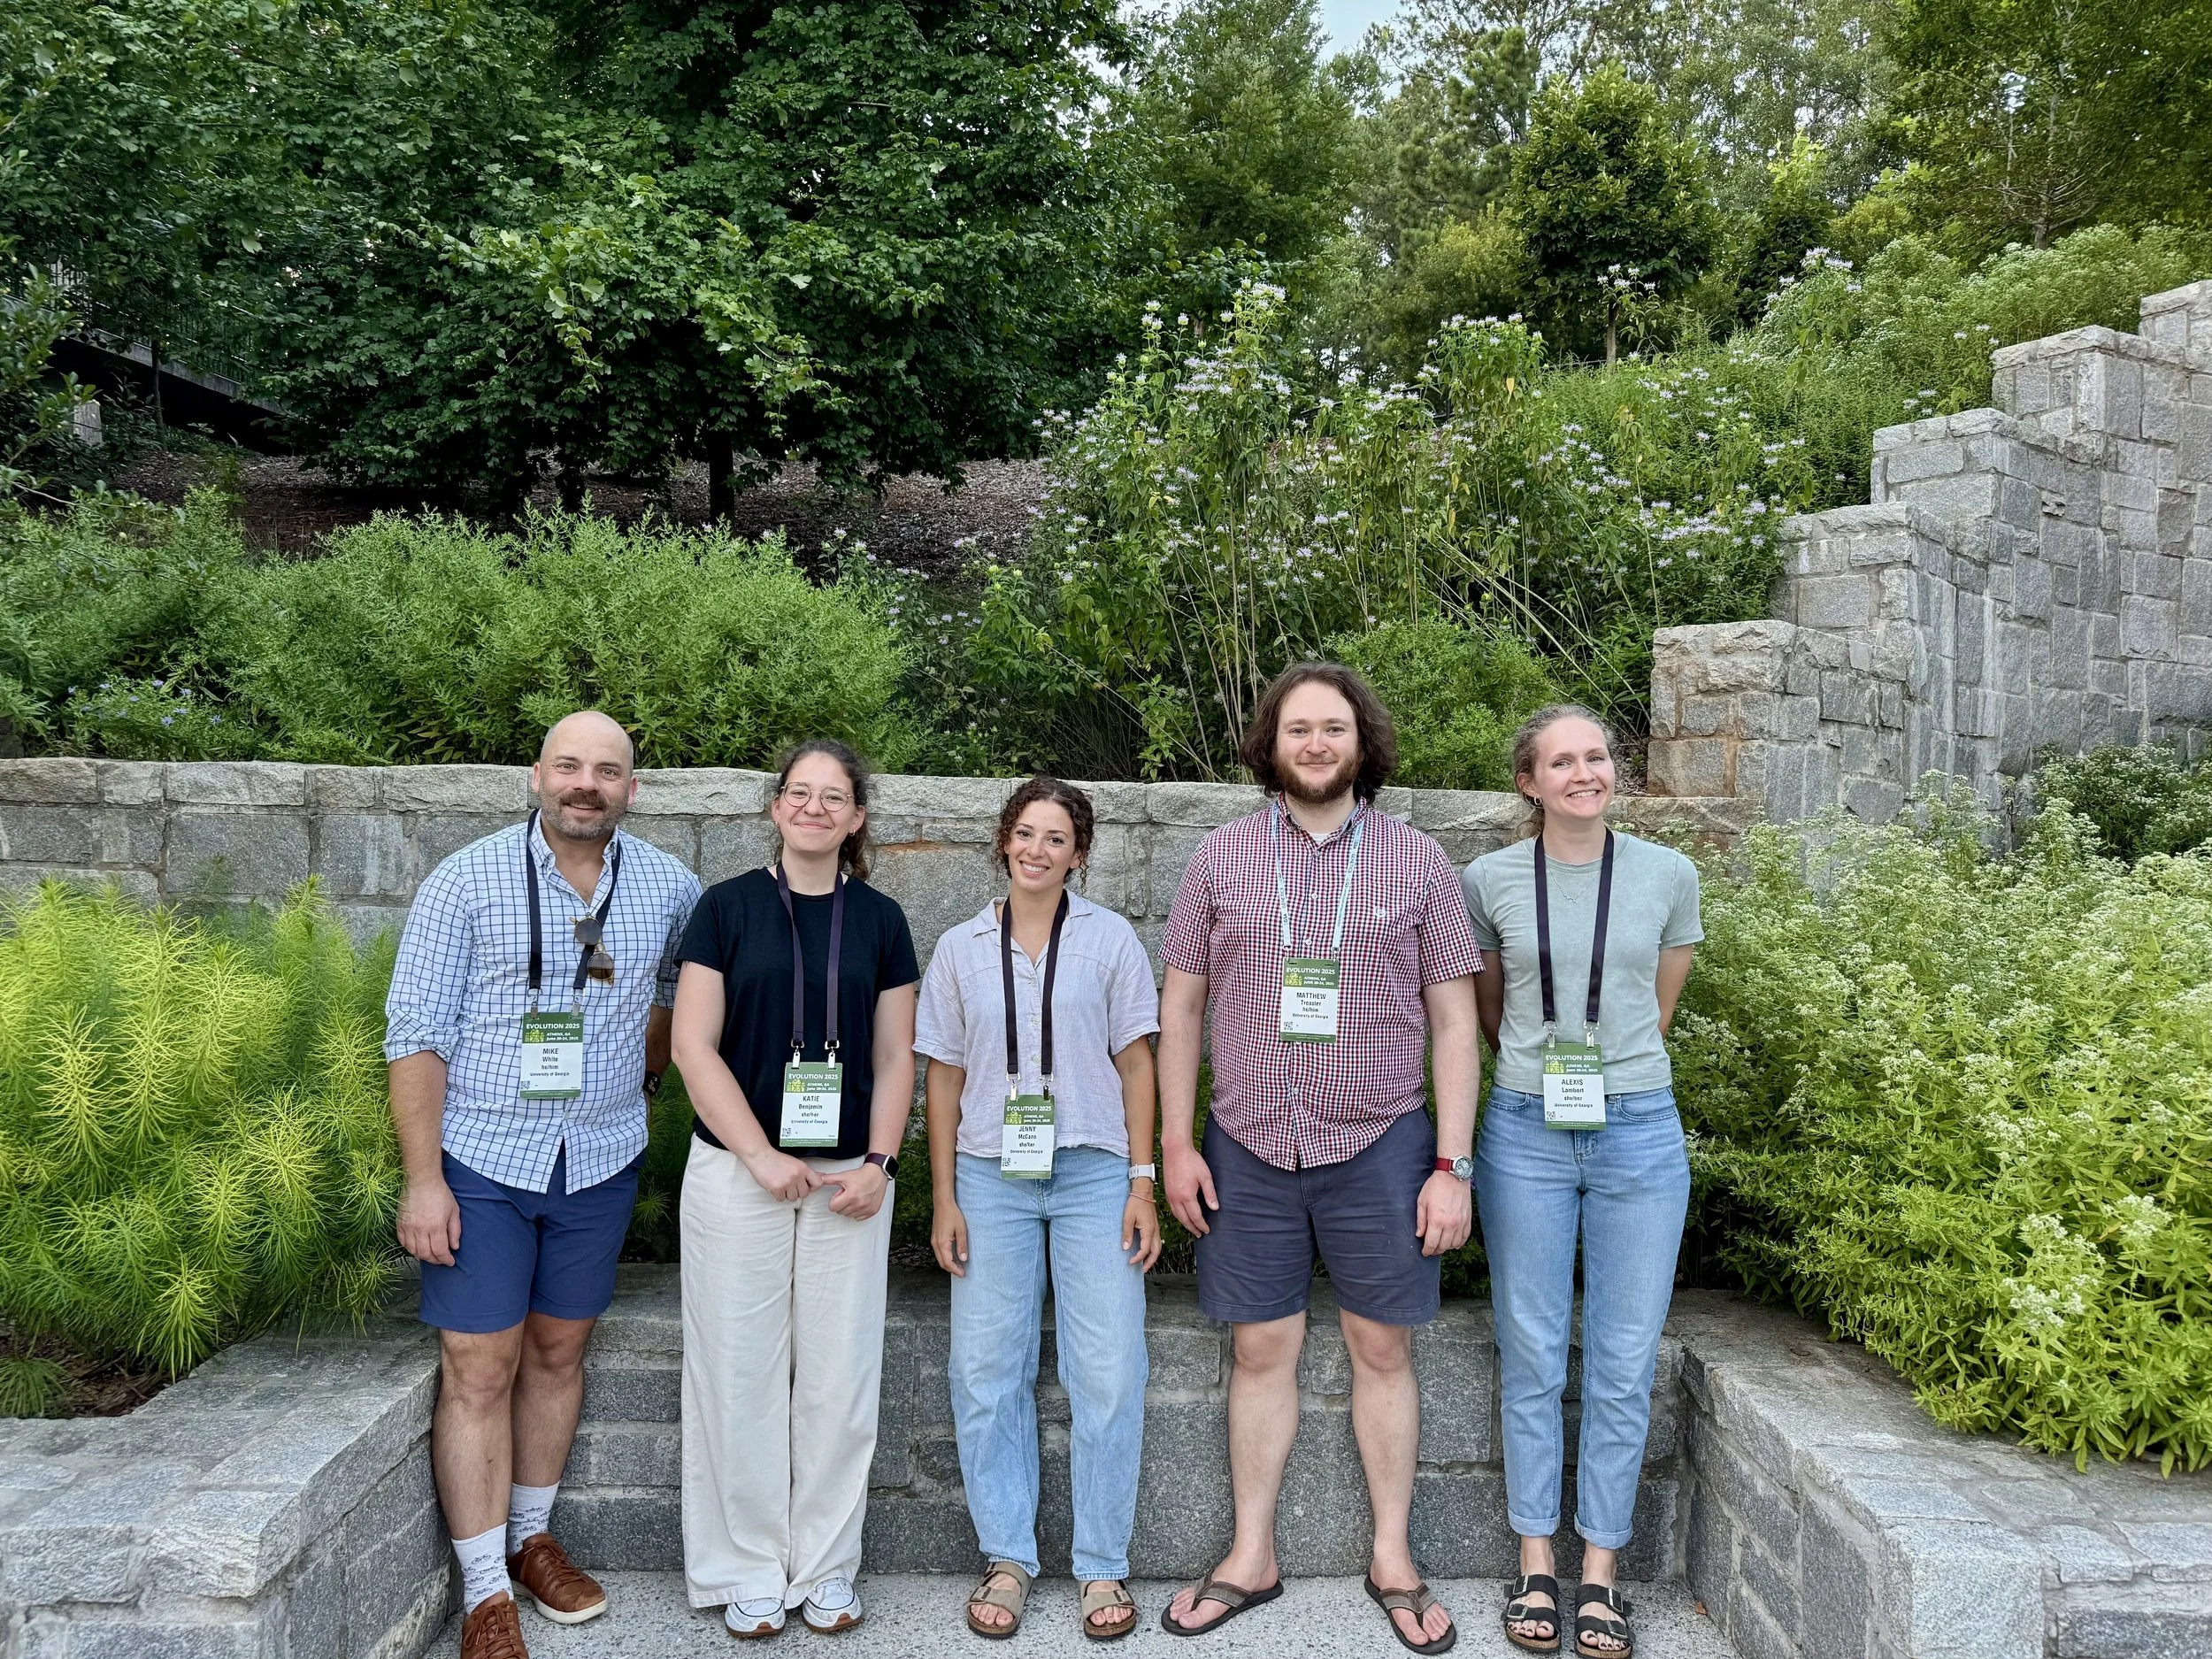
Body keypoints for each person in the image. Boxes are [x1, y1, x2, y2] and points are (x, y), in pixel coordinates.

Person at [1157, 663, 1484, 1655]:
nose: (1314, 743)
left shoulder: (1419, 861)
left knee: (1382, 1349)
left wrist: (1452, 1166)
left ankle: (1391, 1554)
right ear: (1271, 742)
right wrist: (1173, 1144)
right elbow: (1178, 1007)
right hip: (1247, 1143)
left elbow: (1456, 1023)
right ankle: (1250, 1554)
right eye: (1297, 728)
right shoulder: (1217, 858)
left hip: (1381, 1144)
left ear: (1360, 742)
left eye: (1332, 727)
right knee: (1260, 1350)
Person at [386, 711, 702, 1659]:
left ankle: (530, 1539)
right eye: (569, 765)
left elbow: (678, 1001)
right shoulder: (464, 882)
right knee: (481, 1367)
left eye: (607, 771)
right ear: (536, 776)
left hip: (598, 1158)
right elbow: (416, 1037)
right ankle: (486, 1595)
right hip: (482, 1161)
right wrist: (423, 1180)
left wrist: (641, 1073)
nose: (586, 784)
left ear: (631, 791)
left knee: (561, 1353)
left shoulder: (668, 888)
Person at [1461, 705, 1701, 1659]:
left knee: (1622, 1354)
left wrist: (1610, 1072)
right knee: (1529, 1346)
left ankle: (1599, 1577)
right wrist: (1543, 1070)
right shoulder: (1488, 880)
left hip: (1639, 1129)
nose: (1583, 773)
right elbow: (1490, 1007)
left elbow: (1659, 1000)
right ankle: (1535, 1566)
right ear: (1529, 782)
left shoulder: (1666, 875)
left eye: (1596, 756)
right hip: (1524, 1128)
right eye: (1561, 762)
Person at [670, 739, 919, 1640]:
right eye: (799, 794)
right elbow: (693, 1046)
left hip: (851, 1179)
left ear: (856, 818)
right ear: (775, 809)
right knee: (736, 1374)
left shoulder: (883, 919)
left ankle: (825, 1568)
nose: (814, 807)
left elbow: (896, 1056)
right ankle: (745, 1567)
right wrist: (759, 1155)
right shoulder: (725, 909)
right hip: (741, 1179)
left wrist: (881, 1164)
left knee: (839, 1381)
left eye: (835, 797)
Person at [917, 777, 1164, 1642]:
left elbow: (1137, 1064)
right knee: (986, 1372)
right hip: (989, 1175)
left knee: (1108, 1370)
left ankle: (1101, 1564)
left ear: (1079, 854)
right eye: (1024, 833)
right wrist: (944, 1193)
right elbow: (941, 1076)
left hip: (1095, 1171)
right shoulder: (957, 947)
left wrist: (1143, 1180)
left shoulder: (1109, 941)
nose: (1036, 849)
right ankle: (1008, 1556)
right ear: (1003, 841)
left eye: (1055, 838)